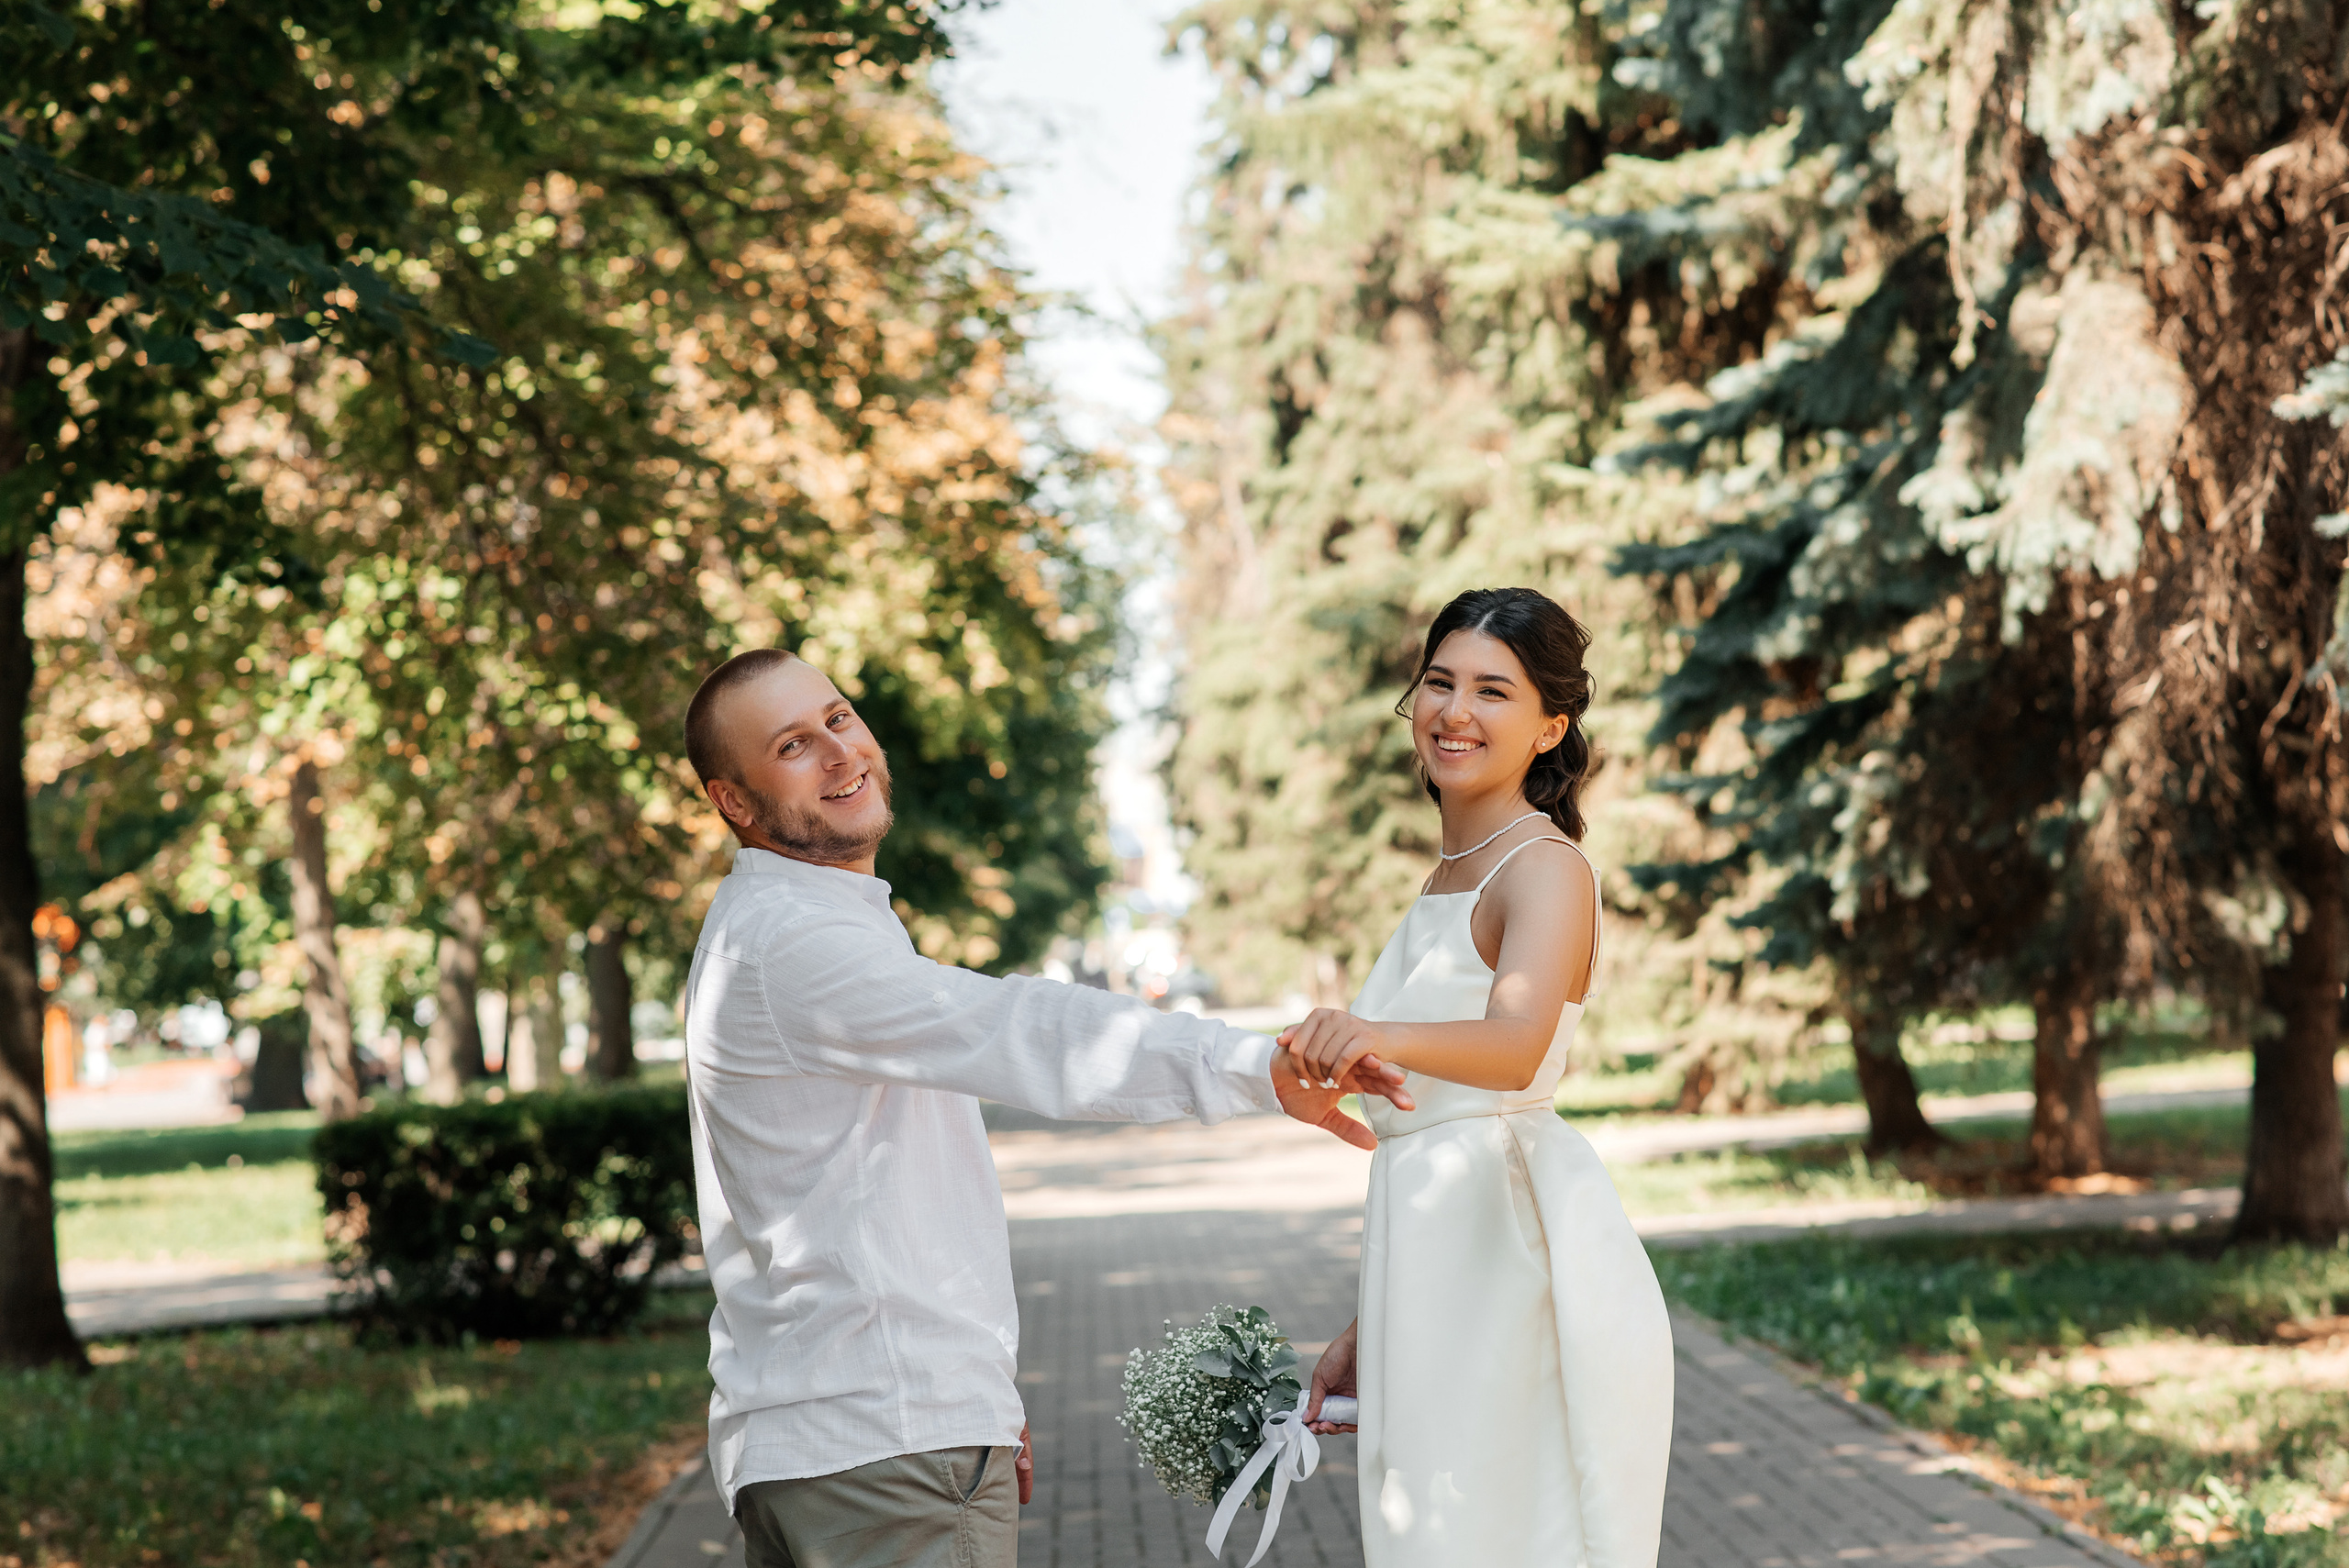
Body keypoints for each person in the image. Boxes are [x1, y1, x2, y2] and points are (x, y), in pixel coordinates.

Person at [677, 649, 1414, 1568]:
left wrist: (977, 1394)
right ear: (734, 801)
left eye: (837, 717)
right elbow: (1023, 1029)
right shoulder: (793, 941)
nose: (839, 752)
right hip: (882, 1450)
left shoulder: (782, 923)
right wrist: (1254, 1067)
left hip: (848, 1438)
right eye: (792, 745)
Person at [1283, 588, 1675, 1567]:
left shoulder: (1544, 866)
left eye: (1493, 690)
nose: (1455, 711)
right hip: (1437, 1251)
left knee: (1498, 1532)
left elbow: (1514, 1046)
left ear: (1551, 726)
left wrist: (1370, 1032)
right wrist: (1372, 1319)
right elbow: (1436, 1119)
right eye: (1439, 681)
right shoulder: (1450, 873)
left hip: (1508, 1253)